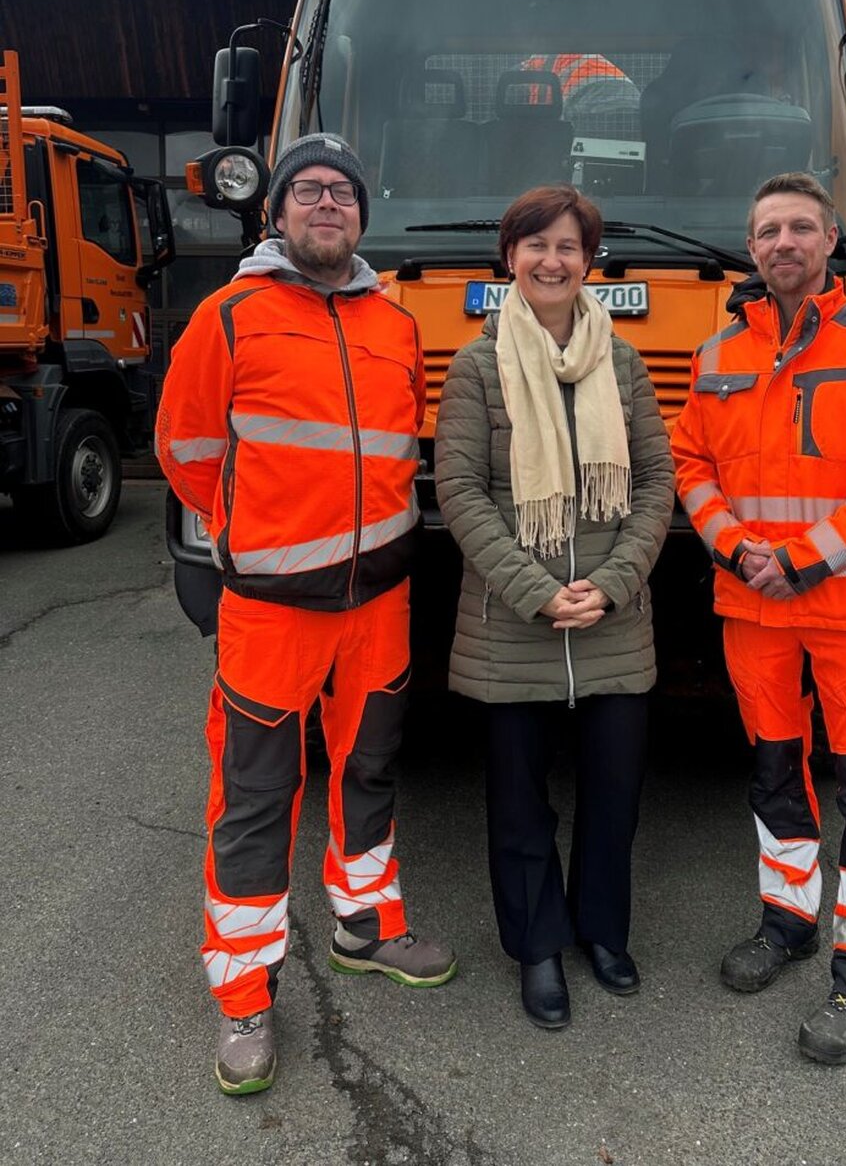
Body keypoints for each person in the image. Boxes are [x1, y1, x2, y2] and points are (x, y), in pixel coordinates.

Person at [156, 133, 455, 1096]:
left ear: (361, 215)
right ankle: (244, 993)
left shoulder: (395, 322)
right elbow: (188, 450)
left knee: (367, 770)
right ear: (276, 212)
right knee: (254, 798)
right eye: (308, 191)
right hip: (272, 611)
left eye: (343, 192)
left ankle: (366, 926)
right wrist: (264, 533)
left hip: (381, 602)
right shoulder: (229, 316)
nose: (327, 204)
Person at [671, 170, 846, 1065]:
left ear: (830, 242)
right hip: (753, 610)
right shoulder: (714, 358)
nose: (783, 243)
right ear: (751, 249)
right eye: (767, 231)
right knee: (776, 775)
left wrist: (799, 559)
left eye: (800, 228)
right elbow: (690, 464)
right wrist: (734, 545)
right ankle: (786, 923)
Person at [434, 183, 673, 1029]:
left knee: (615, 793)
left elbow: (655, 486)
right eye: (535, 245)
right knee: (519, 799)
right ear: (511, 259)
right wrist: (538, 592)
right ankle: (538, 946)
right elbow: (459, 492)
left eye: (568, 246)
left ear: (588, 261)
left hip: (613, 618)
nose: (552, 260)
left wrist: (610, 585)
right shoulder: (476, 365)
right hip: (514, 625)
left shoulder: (626, 363)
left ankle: (602, 932)